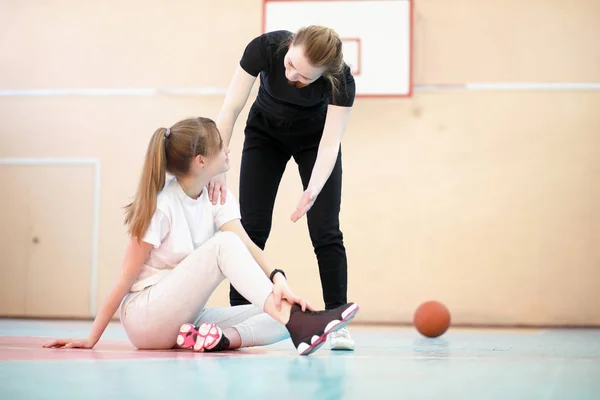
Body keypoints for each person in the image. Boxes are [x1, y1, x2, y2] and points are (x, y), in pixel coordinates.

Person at [42, 116, 359, 356]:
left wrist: (279, 281)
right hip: (145, 318)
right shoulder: (162, 206)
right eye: (222, 146)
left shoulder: (216, 196)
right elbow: (125, 279)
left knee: (273, 315)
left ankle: (227, 339)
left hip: (184, 318)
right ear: (201, 161)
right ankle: (298, 324)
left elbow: (247, 245)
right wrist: (91, 337)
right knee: (224, 245)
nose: (228, 150)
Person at [208, 26, 356, 350]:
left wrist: (313, 190)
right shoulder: (265, 48)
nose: (290, 75)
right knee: (252, 228)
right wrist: (216, 165)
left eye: (302, 77)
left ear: (324, 75)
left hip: (314, 142)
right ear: (290, 46)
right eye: (290, 64)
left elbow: (330, 146)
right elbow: (230, 109)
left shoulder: (341, 81)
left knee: (326, 230)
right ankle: (241, 315)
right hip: (265, 134)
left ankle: (338, 322)